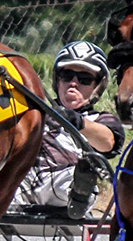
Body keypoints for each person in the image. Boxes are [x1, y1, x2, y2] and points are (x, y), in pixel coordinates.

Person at [14, 41, 124, 216]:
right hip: (24, 176)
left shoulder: (100, 119)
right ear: (57, 81)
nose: (74, 83)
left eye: (85, 79)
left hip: (65, 182)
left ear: (97, 87)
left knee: (75, 176)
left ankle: (79, 194)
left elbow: (108, 142)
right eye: (67, 75)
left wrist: (76, 121)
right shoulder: (34, 111)